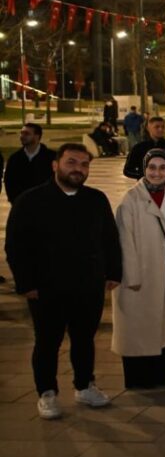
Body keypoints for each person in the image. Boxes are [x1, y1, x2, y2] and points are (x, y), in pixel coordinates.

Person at [6, 144, 121, 419]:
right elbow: (16, 246)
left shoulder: (95, 199)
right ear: (55, 165)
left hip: (87, 285)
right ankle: (47, 393)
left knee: (84, 339)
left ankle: (84, 385)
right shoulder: (30, 201)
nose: (78, 169)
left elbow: (109, 239)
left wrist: (114, 272)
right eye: (71, 162)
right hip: (47, 288)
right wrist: (26, 283)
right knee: (47, 342)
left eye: (84, 164)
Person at [112, 149, 165, 389]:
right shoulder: (130, 199)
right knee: (138, 330)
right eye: (152, 168)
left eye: (162, 168)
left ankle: (161, 373)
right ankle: (139, 378)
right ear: (144, 169)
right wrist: (132, 277)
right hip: (139, 276)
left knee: (161, 328)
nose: (157, 173)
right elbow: (124, 241)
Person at [123, 117, 165, 184]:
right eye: (157, 127)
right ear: (148, 128)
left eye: (163, 127)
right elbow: (127, 170)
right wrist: (146, 176)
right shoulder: (138, 148)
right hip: (144, 189)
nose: (160, 129)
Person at [4, 123, 57, 204]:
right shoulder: (14, 158)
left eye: (27, 133)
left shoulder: (52, 157)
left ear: (37, 136)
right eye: (21, 133)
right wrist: (14, 201)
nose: (22, 136)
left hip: (47, 204)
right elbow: (9, 182)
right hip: (22, 205)